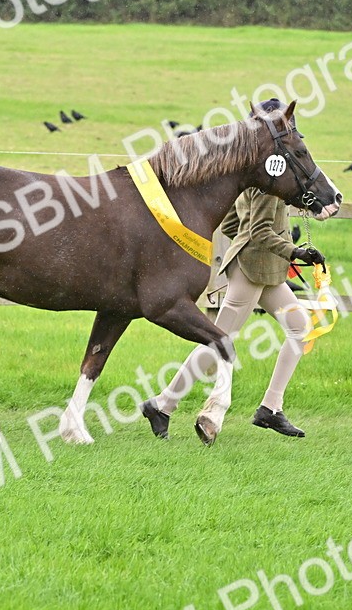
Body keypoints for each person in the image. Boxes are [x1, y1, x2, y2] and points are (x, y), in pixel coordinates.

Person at [139, 168, 326, 442]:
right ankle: (162, 404)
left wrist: (248, 241)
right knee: (218, 340)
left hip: (266, 271)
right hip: (251, 272)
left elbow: (230, 225)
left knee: (300, 327)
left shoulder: (254, 176)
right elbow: (260, 231)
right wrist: (294, 252)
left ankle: (271, 408)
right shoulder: (271, 185)